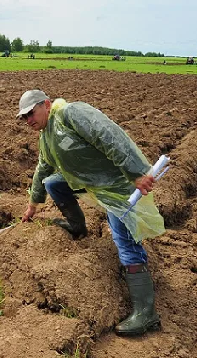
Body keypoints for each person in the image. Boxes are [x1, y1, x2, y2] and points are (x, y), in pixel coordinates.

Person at [16, 90, 165, 338]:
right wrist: (33, 204)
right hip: (90, 181)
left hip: (117, 184)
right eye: (24, 117)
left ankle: (146, 313)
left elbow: (109, 136)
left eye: (31, 113)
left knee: (124, 241)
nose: (28, 120)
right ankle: (77, 226)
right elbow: (43, 169)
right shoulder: (46, 136)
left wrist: (137, 172)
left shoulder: (70, 114)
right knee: (53, 183)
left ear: (46, 104)